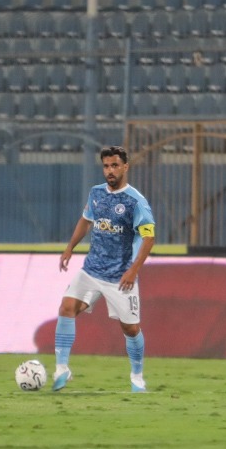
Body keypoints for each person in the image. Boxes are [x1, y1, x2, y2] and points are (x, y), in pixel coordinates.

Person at [53, 145, 155, 393]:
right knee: (66, 307)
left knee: (130, 328)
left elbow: (149, 237)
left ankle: (137, 377)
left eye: (115, 166)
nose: (110, 171)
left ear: (125, 167)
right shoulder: (96, 193)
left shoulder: (135, 202)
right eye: (106, 166)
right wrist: (69, 248)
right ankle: (62, 368)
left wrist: (133, 270)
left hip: (120, 277)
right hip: (91, 270)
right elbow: (86, 220)